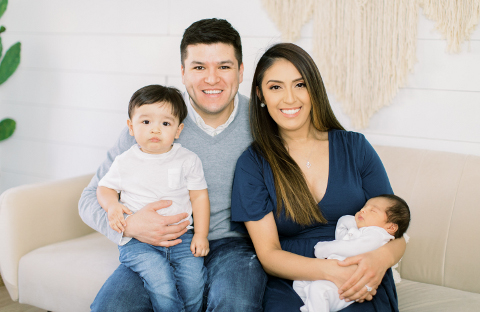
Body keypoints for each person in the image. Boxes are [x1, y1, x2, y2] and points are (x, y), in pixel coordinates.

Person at [78, 18, 268, 311]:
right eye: (199, 67)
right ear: (183, 72)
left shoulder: (263, 122)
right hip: (156, 244)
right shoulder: (152, 121)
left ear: (241, 71)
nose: (212, 78)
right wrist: (129, 226)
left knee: (235, 304)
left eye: (224, 66)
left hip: (235, 247)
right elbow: (90, 198)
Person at [231, 42, 407, 311]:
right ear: (260, 95)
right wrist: (329, 271)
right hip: (291, 280)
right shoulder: (252, 164)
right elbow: (268, 254)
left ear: (314, 89)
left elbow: (394, 230)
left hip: (359, 275)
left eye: (300, 84)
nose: (290, 98)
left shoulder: (355, 148)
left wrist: (379, 260)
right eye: (275, 87)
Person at [96, 85, 210, 312]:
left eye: (165, 123)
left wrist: (201, 235)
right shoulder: (124, 161)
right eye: (146, 122)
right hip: (138, 243)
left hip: (182, 238)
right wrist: (112, 206)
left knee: (194, 282)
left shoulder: (187, 159)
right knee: (161, 281)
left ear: (178, 130)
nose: (155, 130)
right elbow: (104, 188)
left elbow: (199, 198)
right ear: (131, 126)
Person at [293, 195, 411, 312]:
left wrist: (324, 248)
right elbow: (341, 229)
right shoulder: (360, 231)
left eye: (373, 210)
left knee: (318, 290)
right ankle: (311, 307)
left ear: (391, 227)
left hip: (349, 283)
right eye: (364, 207)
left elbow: (352, 248)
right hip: (331, 274)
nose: (363, 210)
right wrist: (355, 221)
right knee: (300, 282)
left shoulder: (378, 235)